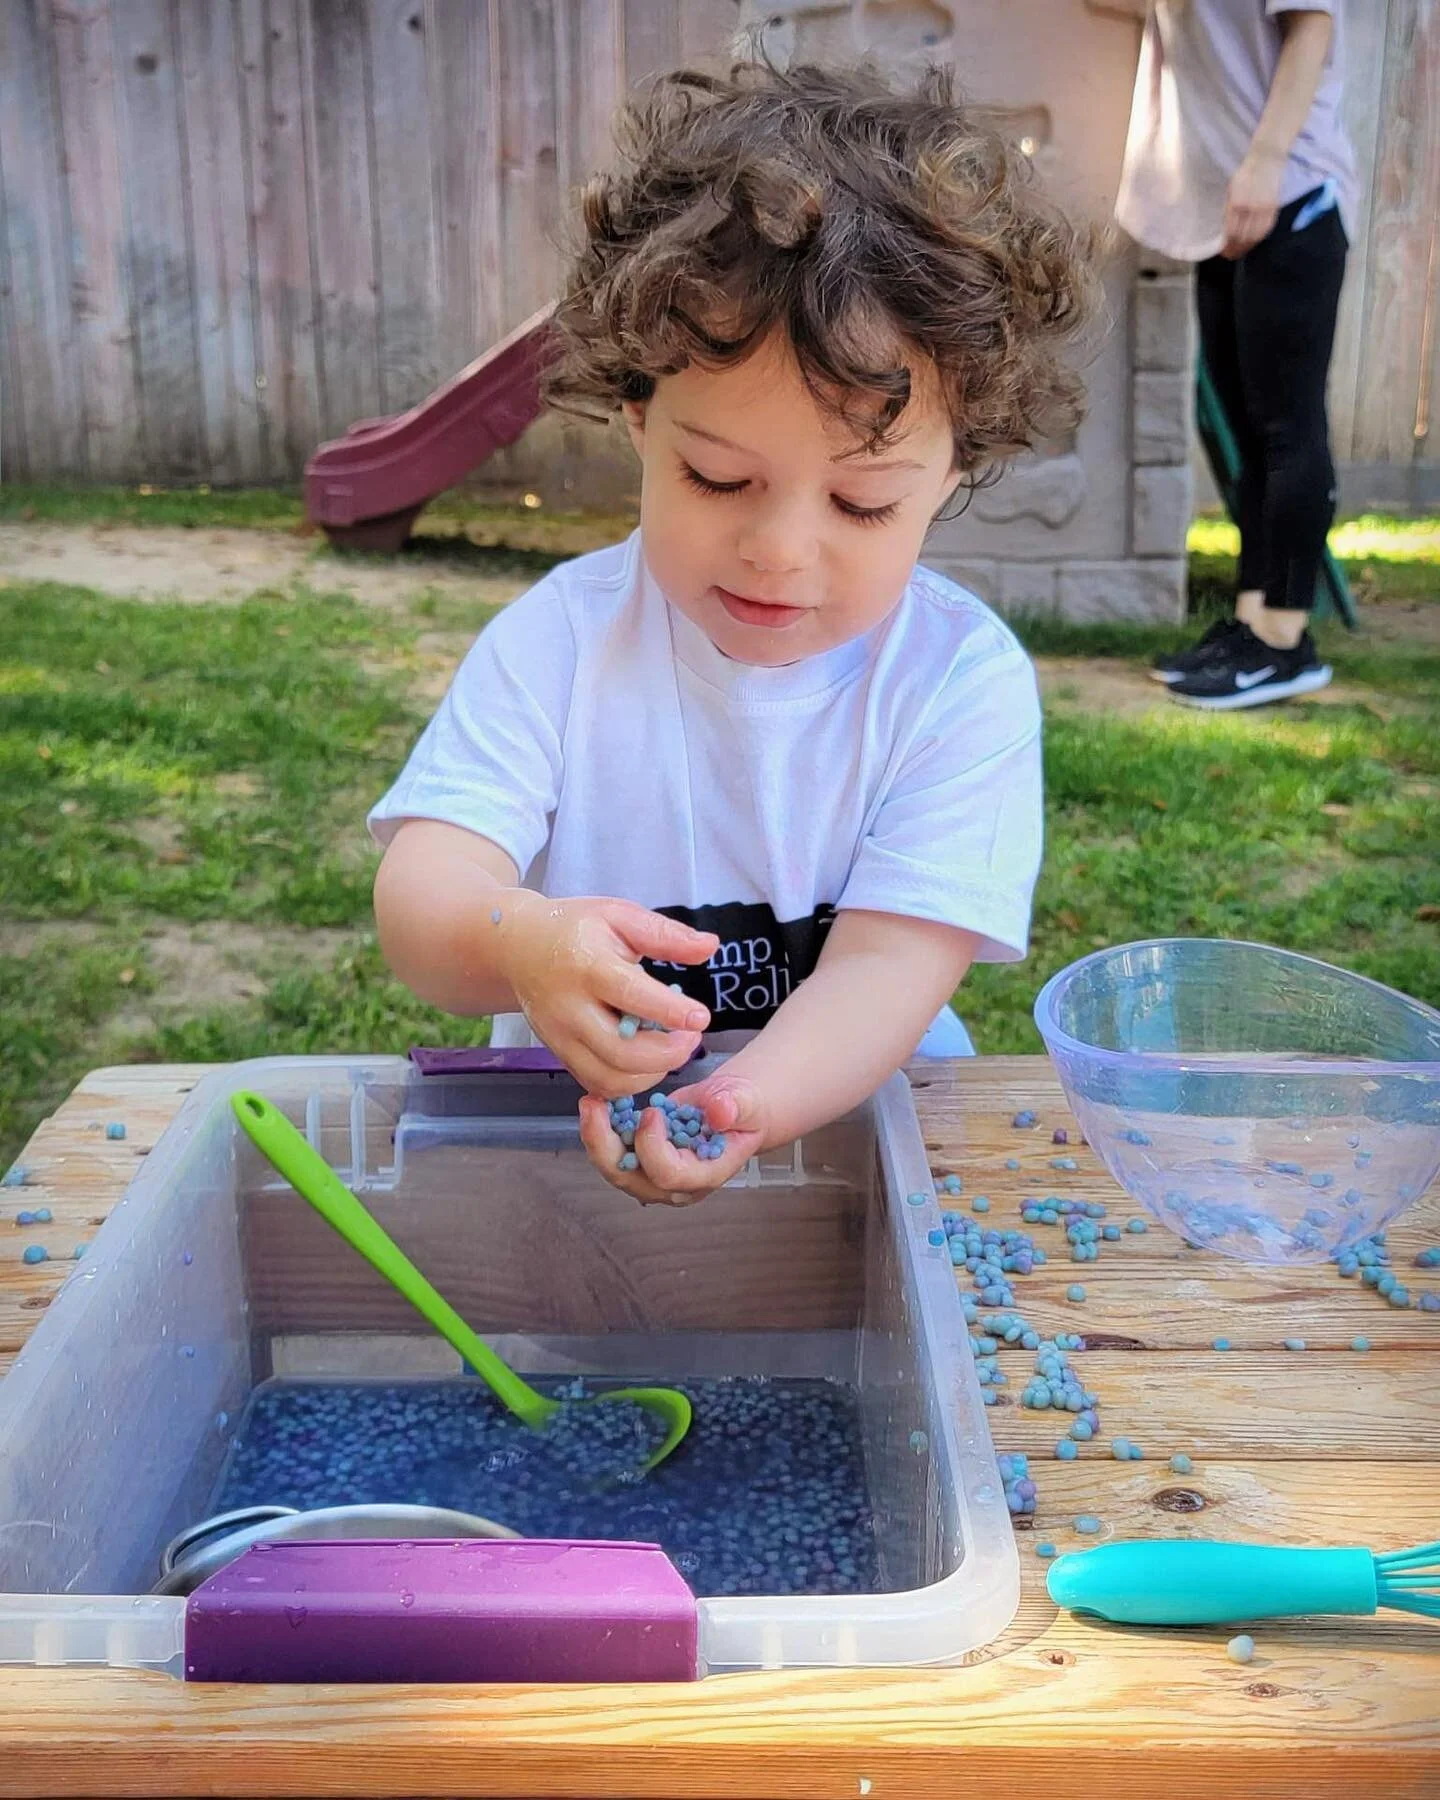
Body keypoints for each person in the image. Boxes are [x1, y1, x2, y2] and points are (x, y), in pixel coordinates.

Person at [369, 60, 1098, 1205]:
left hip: (858, 1147)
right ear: (638, 423)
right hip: (571, 1154)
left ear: (957, 467)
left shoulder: (958, 681)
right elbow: (425, 895)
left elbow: (890, 964)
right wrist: (519, 940)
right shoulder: (558, 643)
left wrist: (736, 1107)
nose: (781, 551)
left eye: (862, 503)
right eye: (716, 478)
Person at [1113, 1, 1355, 709]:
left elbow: (1313, 22)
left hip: (1290, 192)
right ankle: (1254, 623)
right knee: (1249, 435)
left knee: (1287, 428)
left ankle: (1284, 643)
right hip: (1230, 204)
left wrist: (1267, 163)